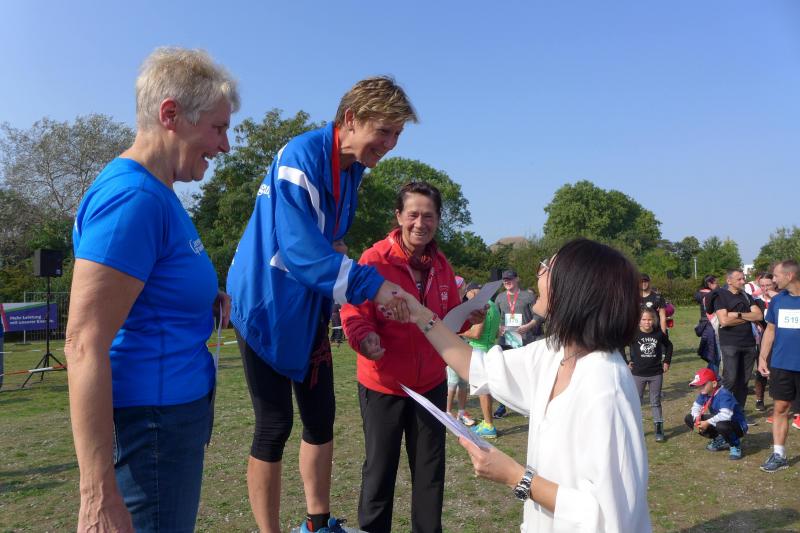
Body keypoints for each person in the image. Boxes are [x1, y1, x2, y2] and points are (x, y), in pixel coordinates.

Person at [226, 76, 417, 533]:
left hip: (306, 305)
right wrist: (373, 286)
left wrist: (333, 253)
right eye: (384, 131)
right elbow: (300, 251)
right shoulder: (302, 156)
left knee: (320, 417)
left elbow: (326, 242)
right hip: (266, 306)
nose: (390, 144)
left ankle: (317, 523)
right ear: (350, 119)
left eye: (397, 134)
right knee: (274, 425)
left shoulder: (351, 169)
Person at [65, 47, 239, 531]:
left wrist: (202, 303)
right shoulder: (133, 198)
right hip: (151, 431)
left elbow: (149, 293)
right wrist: (97, 494)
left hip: (168, 422)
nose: (225, 145)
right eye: (218, 127)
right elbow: (83, 343)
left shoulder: (159, 193)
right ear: (170, 115)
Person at [394, 238, 651, 532]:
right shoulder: (554, 353)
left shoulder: (606, 387)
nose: (539, 273)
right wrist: (420, 314)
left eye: (547, 267)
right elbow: (478, 367)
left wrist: (517, 477)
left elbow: (611, 517)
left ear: (576, 288)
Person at [341, 182, 484, 533]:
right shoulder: (374, 259)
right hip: (384, 385)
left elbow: (446, 317)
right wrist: (365, 338)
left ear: (438, 219)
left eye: (429, 216)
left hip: (431, 384)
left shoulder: (441, 264)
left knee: (430, 473)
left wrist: (469, 315)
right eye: (413, 214)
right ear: (399, 216)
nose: (421, 223)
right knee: (380, 471)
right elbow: (353, 311)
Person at [758, 260, 800, 472]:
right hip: (782, 365)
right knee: (780, 408)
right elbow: (770, 330)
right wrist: (762, 357)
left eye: (776, 276)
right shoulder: (777, 301)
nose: (773, 280)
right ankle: (779, 455)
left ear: (789, 276)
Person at [709, 268, 764, 409]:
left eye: (743, 278)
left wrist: (738, 315)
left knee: (743, 381)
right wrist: (748, 317)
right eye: (739, 279)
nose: (743, 281)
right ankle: (721, 409)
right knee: (730, 380)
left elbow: (758, 316)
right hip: (730, 344)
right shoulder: (721, 296)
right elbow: (724, 321)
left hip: (749, 343)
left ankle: (738, 412)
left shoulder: (746, 296)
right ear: (729, 281)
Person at [493, 268, 541, 419]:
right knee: (505, 373)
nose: (507, 282)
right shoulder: (500, 298)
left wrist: (529, 326)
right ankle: (502, 406)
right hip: (507, 340)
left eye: (510, 279)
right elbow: (495, 317)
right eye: (505, 280)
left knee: (526, 373)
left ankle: (528, 405)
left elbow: (539, 315)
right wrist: (498, 327)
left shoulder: (528, 296)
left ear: (517, 279)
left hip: (526, 340)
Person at [624, 308, 673, 442]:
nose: (647, 322)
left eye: (650, 319)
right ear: (639, 321)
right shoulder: (633, 334)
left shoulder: (658, 333)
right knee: (636, 401)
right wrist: (626, 362)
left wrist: (667, 361)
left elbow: (669, 346)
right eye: (644, 319)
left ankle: (659, 429)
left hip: (655, 373)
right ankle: (635, 428)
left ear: (654, 320)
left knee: (655, 401)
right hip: (638, 374)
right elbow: (620, 346)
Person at [461, 282, 502, 439]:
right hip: (489, 348)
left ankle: (489, 425)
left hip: (478, 351)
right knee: (485, 389)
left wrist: (459, 331)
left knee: (482, 390)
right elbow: (497, 332)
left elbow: (476, 334)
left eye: (467, 294)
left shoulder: (481, 306)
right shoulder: (493, 305)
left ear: (472, 292)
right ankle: (487, 422)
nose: (468, 297)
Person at [685, 368, 748, 460]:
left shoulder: (724, 394)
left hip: (737, 425)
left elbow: (726, 415)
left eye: (703, 385)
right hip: (719, 421)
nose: (700, 388)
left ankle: (735, 444)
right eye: (698, 386)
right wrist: (697, 418)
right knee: (689, 418)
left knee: (721, 425)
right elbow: (696, 407)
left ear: (714, 384)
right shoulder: (704, 393)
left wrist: (707, 422)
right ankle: (720, 438)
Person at [446, 276, 476, 425]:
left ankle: (461, 412)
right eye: (462, 286)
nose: (465, 288)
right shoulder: (448, 304)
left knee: (464, 382)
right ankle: (447, 412)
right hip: (451, 346)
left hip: (463, 345)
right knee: (452, 382)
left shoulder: (464, 304)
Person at [695, 275, 720, 373]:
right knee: (715, 355)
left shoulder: (702, 294)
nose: (718, 285)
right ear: (709, 284)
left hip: (706, 324)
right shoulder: (710, 295)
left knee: (713, 354)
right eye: (716, 283)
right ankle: (713, 377)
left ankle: (710, 376)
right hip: (711, 325)